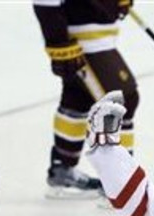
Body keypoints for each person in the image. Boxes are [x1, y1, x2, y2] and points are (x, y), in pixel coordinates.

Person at [33, 0, 139, 198]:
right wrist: (58, 43)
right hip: (84, 43)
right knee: (122, 101)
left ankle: (62, 171)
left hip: (99, 37)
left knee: (77, 101)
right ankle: (122, 185)